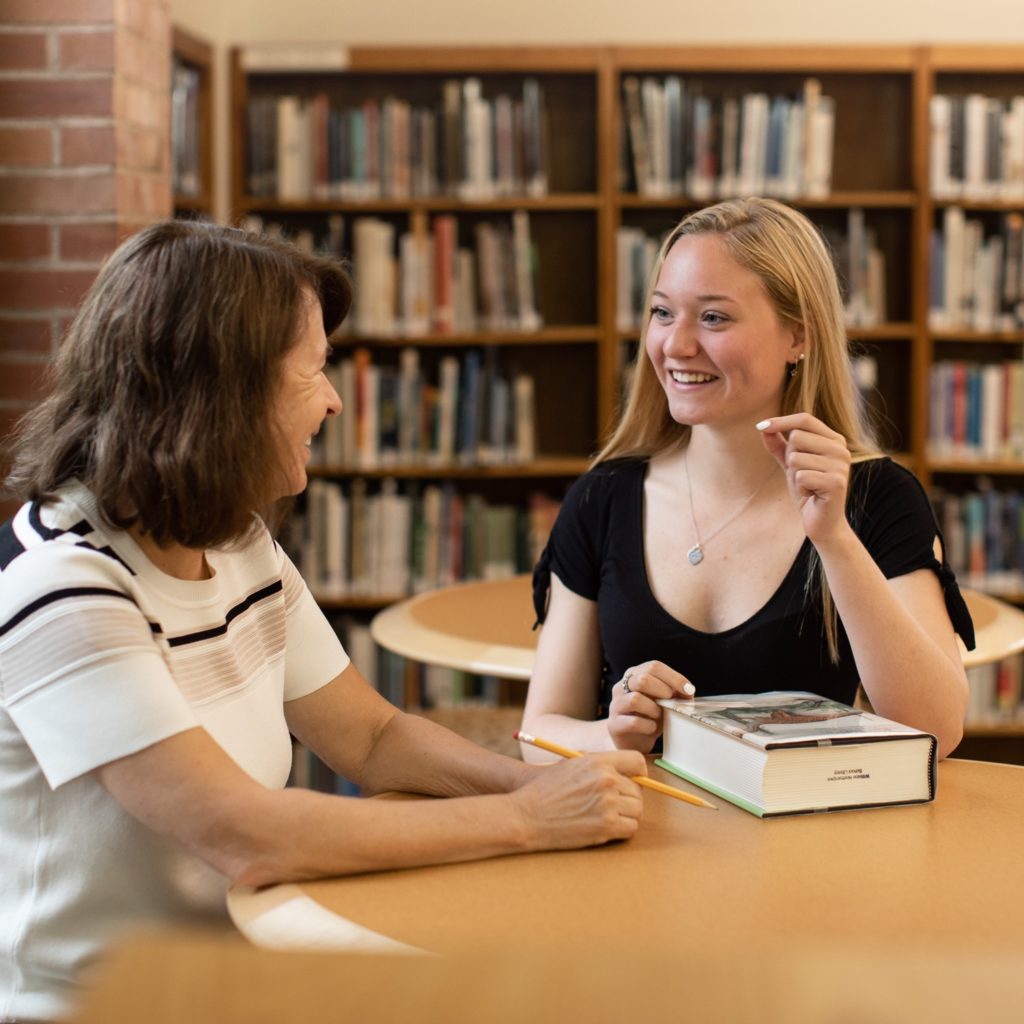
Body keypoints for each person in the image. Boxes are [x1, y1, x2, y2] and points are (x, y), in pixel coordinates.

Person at [0, 220, 646, 1022]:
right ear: (223, 391)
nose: (335, 400)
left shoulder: (235, 542)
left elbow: (372, 739)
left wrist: (536, 781)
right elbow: (246, 835)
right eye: (312, 370)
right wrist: (526, 819)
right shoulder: (61, 588)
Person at [522, 197, 974, 766]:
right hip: (641, 822)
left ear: (798, 336)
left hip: (809, 821)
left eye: (713, 318)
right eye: (662, 312)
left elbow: (936, 730)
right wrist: (611, 736)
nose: (676, 345)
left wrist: (834, 538)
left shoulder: (875, 498)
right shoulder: (602, 499)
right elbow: (538, 735)